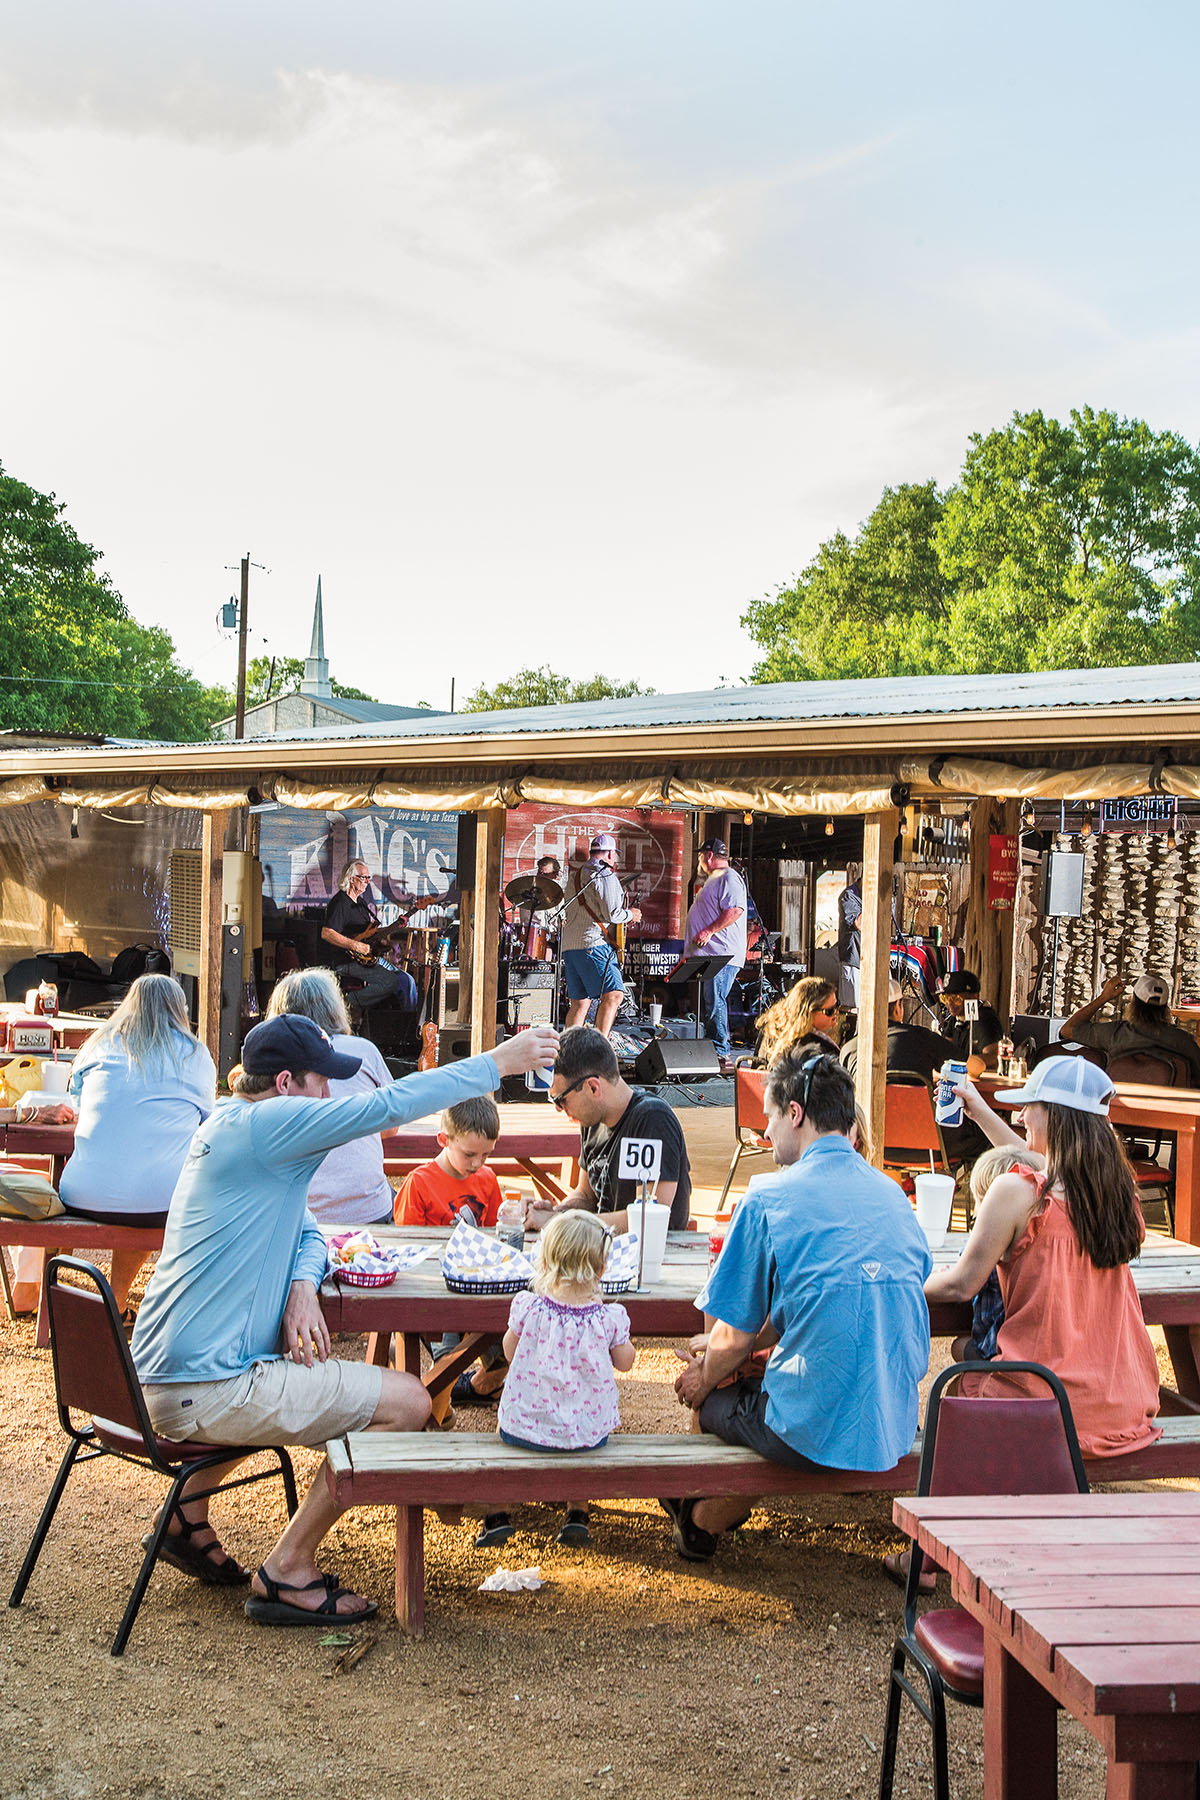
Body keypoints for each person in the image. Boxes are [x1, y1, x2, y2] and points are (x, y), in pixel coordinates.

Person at [131, 1012, 558, 1625]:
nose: (329, 1095)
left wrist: (304, 1283)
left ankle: (185, 1515)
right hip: (207, 1385)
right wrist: (498, 1063)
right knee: (409, 1402)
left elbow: (308, 1229)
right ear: (284, 1084)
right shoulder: (270, 1126)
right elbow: (385, 1107)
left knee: (300, 1371)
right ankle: (288, 1568)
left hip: (172, 1374)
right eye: (320, 1082)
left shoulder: (231, 1123)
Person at [665, 1050, 931, 1561]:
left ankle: (701, 1518)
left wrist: (703, 1375)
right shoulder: (895, 1195)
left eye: (767, 1117)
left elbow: (732, 1334)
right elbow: (829, 1297)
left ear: (795, 1113)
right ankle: (701, 1510)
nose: (765, 1133)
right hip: (892, 1419)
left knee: (716, 1395)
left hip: (807, 1429)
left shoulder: (769, 1198)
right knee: (736, 1375)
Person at [923, 1055, 1161, 1461]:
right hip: (1121, 1405)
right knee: (970, 1351)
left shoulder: (1016, 1193)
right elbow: (1046, 1168)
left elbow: (962, 1284)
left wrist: (896, 1283)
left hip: (1043, 1403)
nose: (1020, 1116)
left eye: (1029, 1107)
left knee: (960, 1375)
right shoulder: (1118, 1197)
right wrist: (979, 1111)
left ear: (1055, 1117)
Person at [52, 974, 216, 1323]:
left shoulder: (98, 1045)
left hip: (81, 1194)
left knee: (129, 1185)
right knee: (152, 1192)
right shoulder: (194, 1055)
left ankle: (63, 1302)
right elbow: (206, 1117)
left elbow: (77, 1104)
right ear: (179, 1011)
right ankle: (117, 1301)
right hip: (158, 1201)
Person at [474, 1211, 635, 1551]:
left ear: (544, 1263)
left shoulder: (529, 1308)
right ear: (602, 1270)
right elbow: (625, 1363)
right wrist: (621, 1340)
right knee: (580, 1447)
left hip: (525, 1428)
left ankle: (497, 1515)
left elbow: (509, 1349)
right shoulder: (608, 1319)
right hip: (587, 1433)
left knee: (502, 1441)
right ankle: (577, 1512)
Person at [527, 1026, 692, 1233]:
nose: (559, 1109)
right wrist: (558, 1212)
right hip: (604, 1248)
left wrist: (559, 1223)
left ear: (593, 1087)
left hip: (654, 1256)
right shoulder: (592, 1118)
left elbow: (647, 1217)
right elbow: (585, 1196)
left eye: (561, 1100)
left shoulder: (652, 1119)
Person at [266, 968, 393, 1227]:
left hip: (296, 1214)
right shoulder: (364, 1051)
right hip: (367, 1211)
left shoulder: (270, 1061)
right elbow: (391, 1127)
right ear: (336, 1007)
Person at [559, 832, 641, 1038]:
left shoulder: (576, 875)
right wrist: (632, 914)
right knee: (614, 995)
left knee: (580, 1002)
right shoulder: (605, 874)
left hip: (570, 945)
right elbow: (613, 914)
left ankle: (569, 1050)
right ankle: (599, 1049)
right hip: (593, 943)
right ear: (611, 854)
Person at [1060, 972, 1200, 1087]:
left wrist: (1104, 997)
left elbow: (1067, 1029)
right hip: (1169, 1116)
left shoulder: (1114, 1033)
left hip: (1118, 1112)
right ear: (1165, 1007)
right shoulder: (1183, 1041)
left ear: (1133, 1001)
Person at [320, 858, 418, 1015]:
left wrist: (394, 926)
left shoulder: (361, 904)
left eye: (368, 877)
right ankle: (346, 1003)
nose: (367, 881)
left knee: (407, 980)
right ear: (351, 879)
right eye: (363, 877)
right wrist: (355, 945)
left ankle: (409, 1025)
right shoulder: (339, 903)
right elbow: (327, 933)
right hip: (346, 961)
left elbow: (370, 934)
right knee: (391, 981)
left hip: (365, 958)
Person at [684, 837, 747, 1072]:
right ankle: (714, 1051)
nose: (700, 859)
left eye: (701, 855)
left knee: (715, 1001)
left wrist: (709, 931)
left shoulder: (729, 877)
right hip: (709, 954)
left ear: (709, 855)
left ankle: (721, 1053)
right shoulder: (715, 879)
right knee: (710, 1002)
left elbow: (735, 910)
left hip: (722, 954)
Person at [394, 1095, 503, 1229]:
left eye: (486, 1154)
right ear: (444, 1140)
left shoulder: (488, 1178)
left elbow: (495, 1232)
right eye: (469, 1154)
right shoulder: (418, 1184)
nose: (477, 1163)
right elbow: (408, 1240)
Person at [840, 979, 952, 1085]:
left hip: (862, 1106)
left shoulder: (848, 1050)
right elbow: (965, 1064)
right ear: (898, 1006)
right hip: (915, 1104)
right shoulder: (924, 1039)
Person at [753, 975, 839, 1067]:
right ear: (809, 1013)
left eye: (837, 1005)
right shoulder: (819, 1048)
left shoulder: (772, 1029)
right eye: (829, 1011)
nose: (836, 1013)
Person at [938, 969, 1003, 1071]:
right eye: (945, 998)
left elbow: (993, 1059)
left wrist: (962, 1064)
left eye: (956, 998)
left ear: (974, 996)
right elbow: (945, 1049)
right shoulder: (956, 1018)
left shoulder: (984, 1019)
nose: (949, 1004)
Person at [836, 862, 862, 1007]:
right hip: (853, 958)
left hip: (869, 960)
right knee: (852, 1006)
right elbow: (859, 924)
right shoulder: (849, 896)